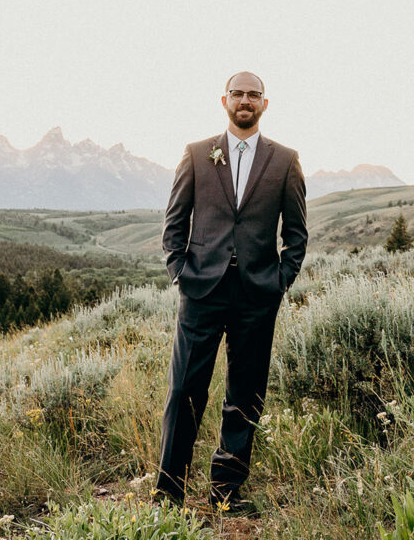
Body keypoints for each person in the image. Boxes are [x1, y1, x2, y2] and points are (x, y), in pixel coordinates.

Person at [156, 71, 307, 516]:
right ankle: (168, 493)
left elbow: (296, 234)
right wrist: (180, 271)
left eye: (253, 95)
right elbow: (174, 222)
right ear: (224, 100)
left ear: (265, 103)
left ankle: (226, 491)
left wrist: (281, 281)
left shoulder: (285, 160)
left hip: (257, 296)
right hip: (202, 290)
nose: (245, 100)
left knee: (245, 393)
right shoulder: (198, 154)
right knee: (184, 388)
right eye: (238, 94)